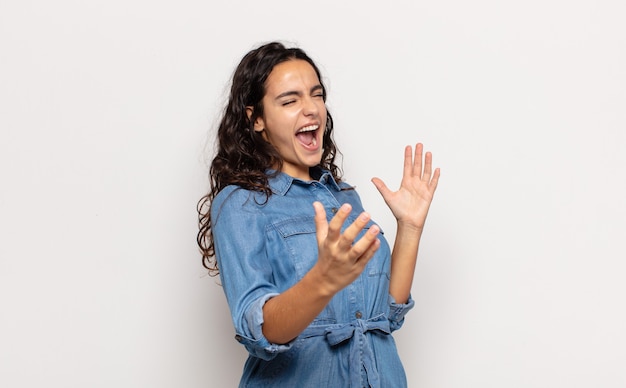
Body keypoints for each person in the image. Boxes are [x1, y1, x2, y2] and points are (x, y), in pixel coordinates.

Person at [197, 41, 440, 387]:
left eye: (316, 94)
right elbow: (260, 331)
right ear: (256, 119)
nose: (311, 109)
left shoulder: (343, 198)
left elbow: (384, 317)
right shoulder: (239, 203)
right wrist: (323, 280)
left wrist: (410, 228)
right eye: (290, 100)